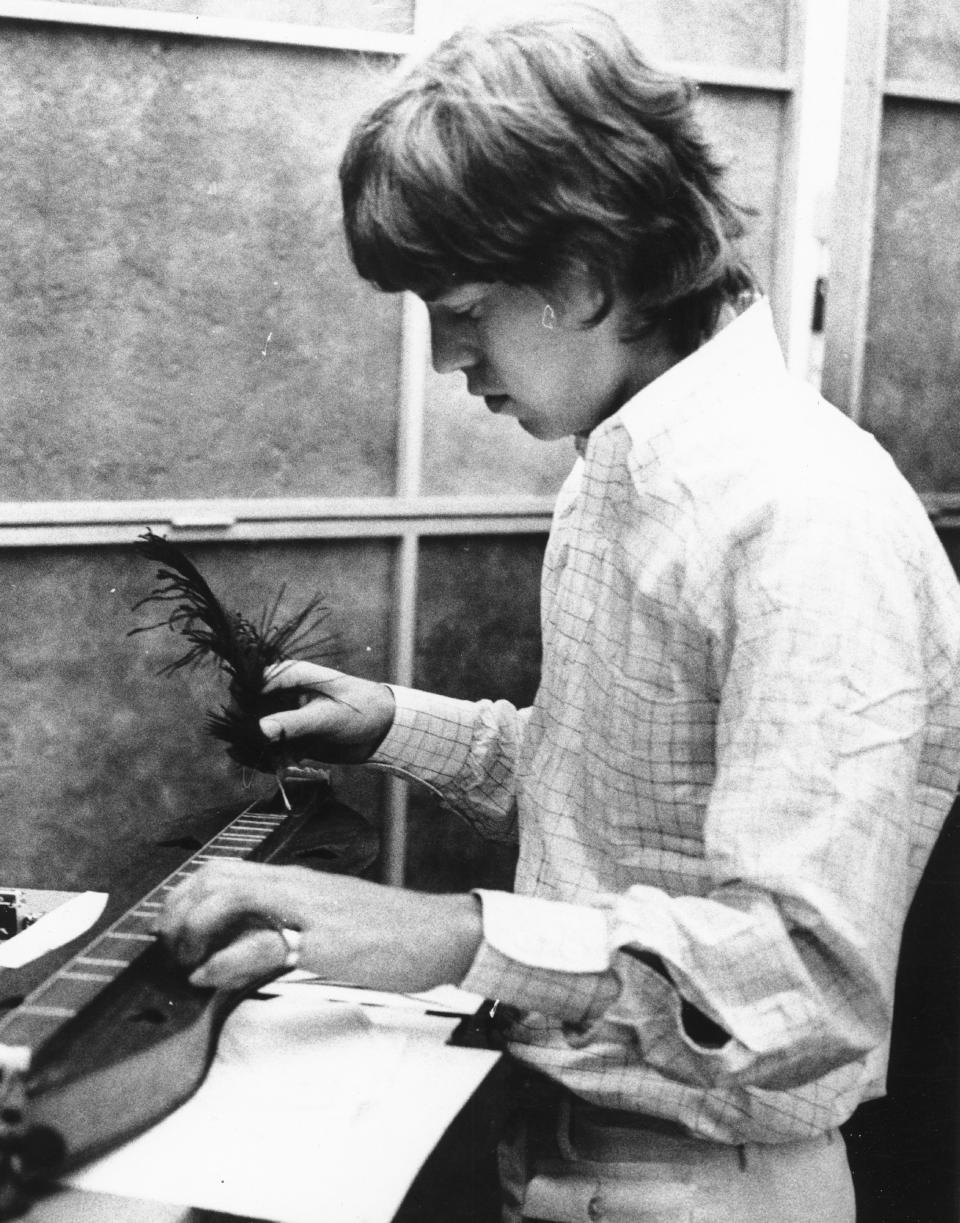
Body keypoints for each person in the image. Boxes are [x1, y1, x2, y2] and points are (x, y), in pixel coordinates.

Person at [158, 9, 960, 1221]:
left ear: (584, 274)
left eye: (463, 306)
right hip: (571, 1147)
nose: (445, 358)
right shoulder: (617, 472)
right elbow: (614, 791)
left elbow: (802, 982)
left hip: (708, 1184)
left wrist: (439, 933)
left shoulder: (808, 516)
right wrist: (393, 723)